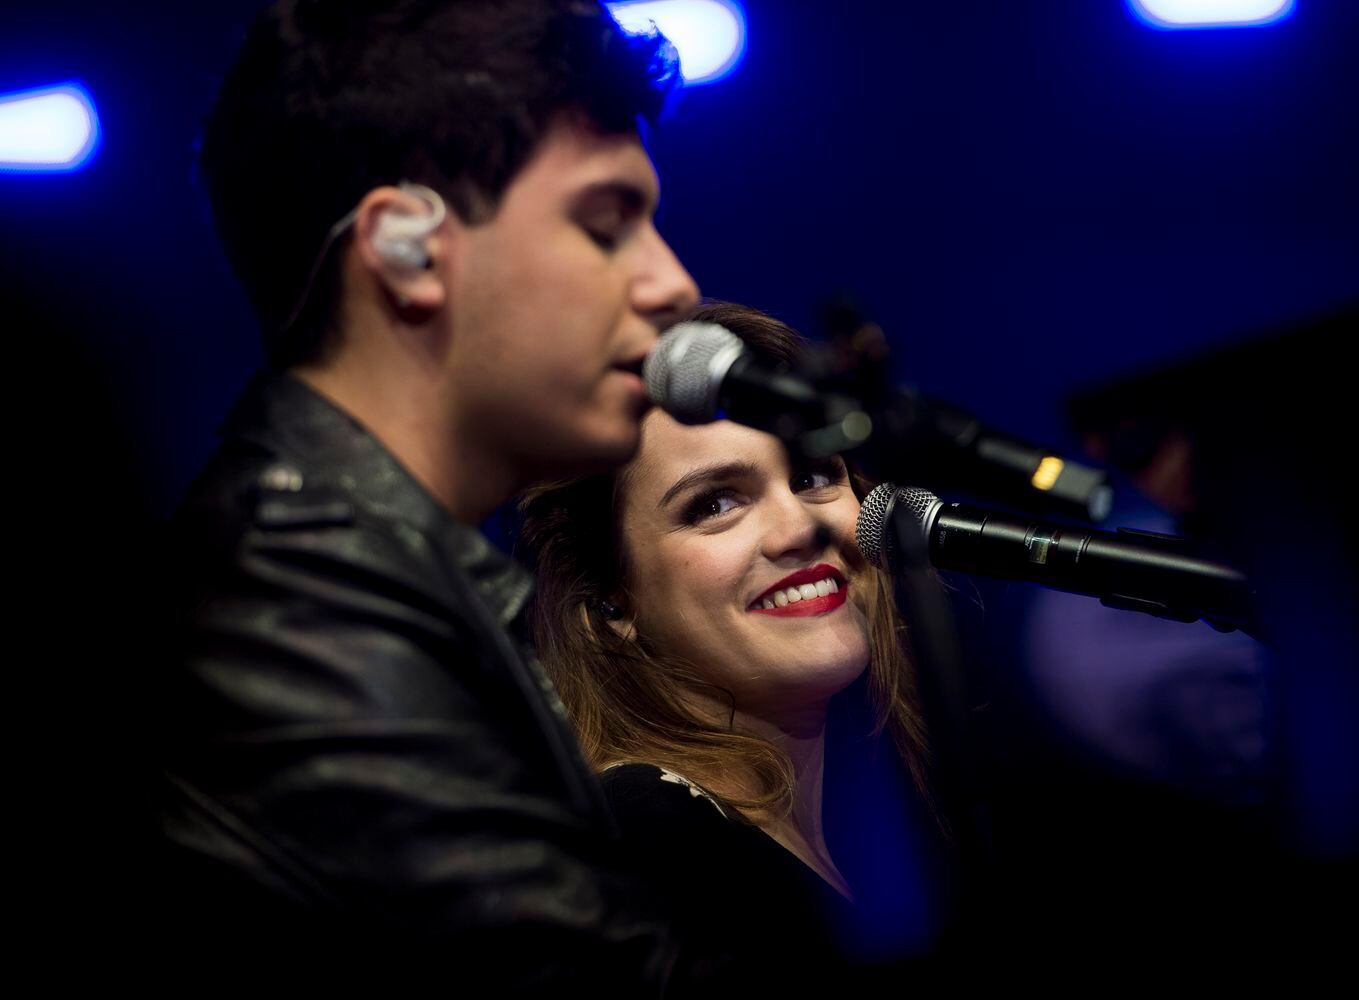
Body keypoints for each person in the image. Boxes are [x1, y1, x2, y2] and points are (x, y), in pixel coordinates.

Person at [159, 0, 700, 984]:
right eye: (606, 225)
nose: (674, 284)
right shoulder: (289, 602)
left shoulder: (341, 565)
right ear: (401, 250)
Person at [521, 303, 949, 987]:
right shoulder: (648, 844)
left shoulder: (878, 817)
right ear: (611, 601)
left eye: (813, 476)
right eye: (715, 504)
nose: (797, 528)